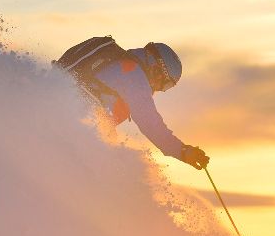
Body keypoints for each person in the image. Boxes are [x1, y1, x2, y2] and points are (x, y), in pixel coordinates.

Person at [55, 36, 210, 170]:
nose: (160, 90)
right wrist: (182, 151)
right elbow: (150, 123)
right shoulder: (135, 76)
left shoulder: (124, 64)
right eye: (165, 84)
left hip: (72, 110)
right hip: (75, 115)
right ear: (158, 69)